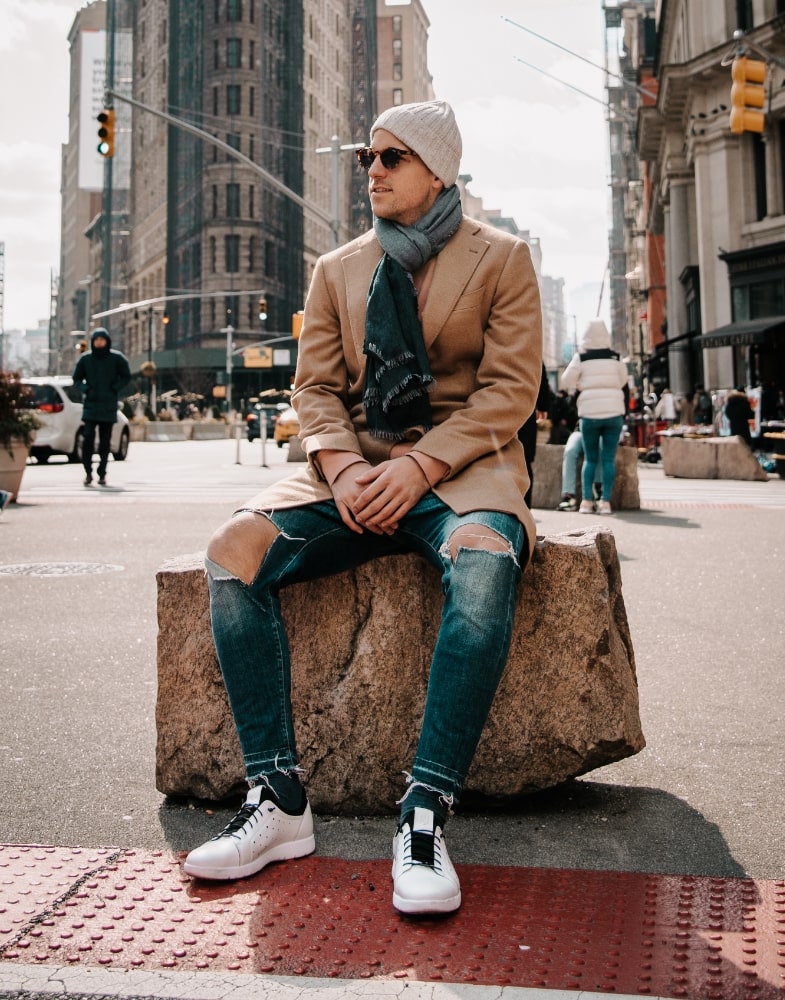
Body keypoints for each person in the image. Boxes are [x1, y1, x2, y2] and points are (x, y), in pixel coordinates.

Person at [183, 100, 543, 915]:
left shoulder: (502, 258)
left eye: (391, 158)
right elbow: (314, 388)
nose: (372, 172)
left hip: (461, 472)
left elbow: (509, 392)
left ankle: (423, 813)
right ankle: (276, 799)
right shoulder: (338, 267)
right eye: (366, 159)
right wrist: (343, 468)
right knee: (233, 548)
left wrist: (420, 466)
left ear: (439, 172)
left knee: (485, 563)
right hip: (349, 475)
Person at [560, 319, 628, 515]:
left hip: (589, 413)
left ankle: (586, 502)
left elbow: (566, 381)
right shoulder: (616, 357)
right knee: (607, 459)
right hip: (614, 412)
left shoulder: (581, 357)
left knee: (590, 459)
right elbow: (622, 380)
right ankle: (605, 502)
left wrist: (581, 383)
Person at [72, 328, 131, 486]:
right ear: (93, 341)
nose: (99, 342)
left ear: (107, 341)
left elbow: (126, 375)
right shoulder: (86, 359)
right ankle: (88, 472)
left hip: (108, 405)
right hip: (91, 405)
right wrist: (86, 389)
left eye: (101, 339)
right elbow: (76, 379)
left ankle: (102, 472)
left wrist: (115, 388)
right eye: (96, 339)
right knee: (88, 440)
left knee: (105, 442)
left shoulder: (116, 358)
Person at [517, 364, 551, 507]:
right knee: (525, 461)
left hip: (496, 406)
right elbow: (539, 372)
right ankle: (525, 509)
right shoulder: (527, 342)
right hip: (525, 407)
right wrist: (543, 406)